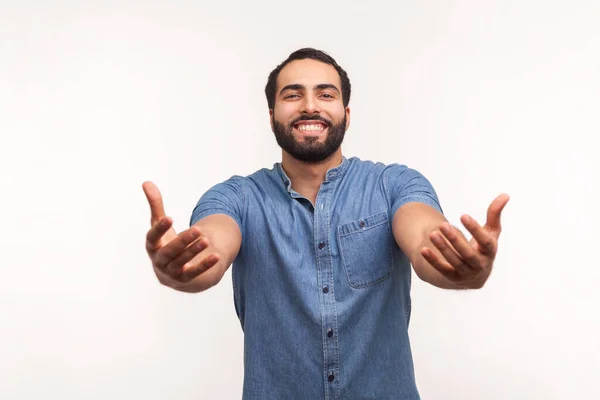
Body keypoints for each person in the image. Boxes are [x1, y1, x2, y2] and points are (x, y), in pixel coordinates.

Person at [142, 48, 509, 399]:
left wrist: (462, 268)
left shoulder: (394, 185)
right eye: (292, 95)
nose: (310, 105)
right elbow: (211, 247)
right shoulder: (236, 197)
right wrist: (179, 269)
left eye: (325, 94)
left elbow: (426, 238)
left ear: (347, 114)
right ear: (271, 116)